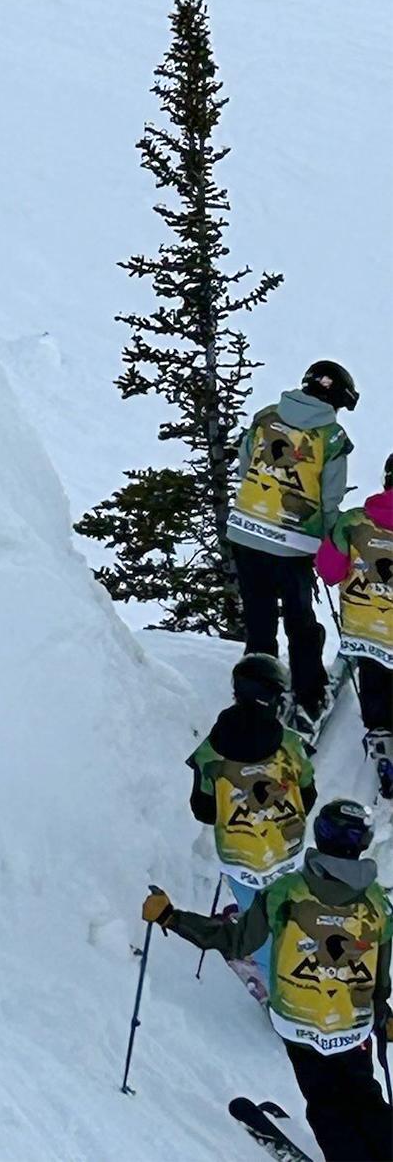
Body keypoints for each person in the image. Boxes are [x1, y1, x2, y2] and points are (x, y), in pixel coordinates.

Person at [143, 799, 391, 1162]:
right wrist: (381, 1008)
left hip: (299, 1020)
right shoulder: (378, 903)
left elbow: (234, 940)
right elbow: (380, 971)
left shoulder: (286, 892)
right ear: (363, 843)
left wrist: (172, 918)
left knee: (327, 1105)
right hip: (352, 1025)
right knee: (365, 1096)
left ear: (319, 836)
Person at [229, 360, 358, 734]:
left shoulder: (266, 417)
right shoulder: (332, 438)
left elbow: (243, 466)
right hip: (294, 542)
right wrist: (331, 549)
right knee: (300, 621)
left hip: (246, 531)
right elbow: (329, 502)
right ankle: (309, 696)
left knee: (260, 617)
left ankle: (259, 691)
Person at [186, 653, 315, 994]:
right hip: (286, 849)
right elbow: (309, 794)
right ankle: (293, 985)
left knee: (254, 913)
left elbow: (202, 809)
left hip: (240, 853)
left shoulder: (212, 749)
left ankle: (268, 972)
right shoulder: (289, 743)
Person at [318, 454, 393, 801]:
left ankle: (383, 748)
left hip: (366, 632)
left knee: (377, 695)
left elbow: (330, 571)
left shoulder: (353, 522)